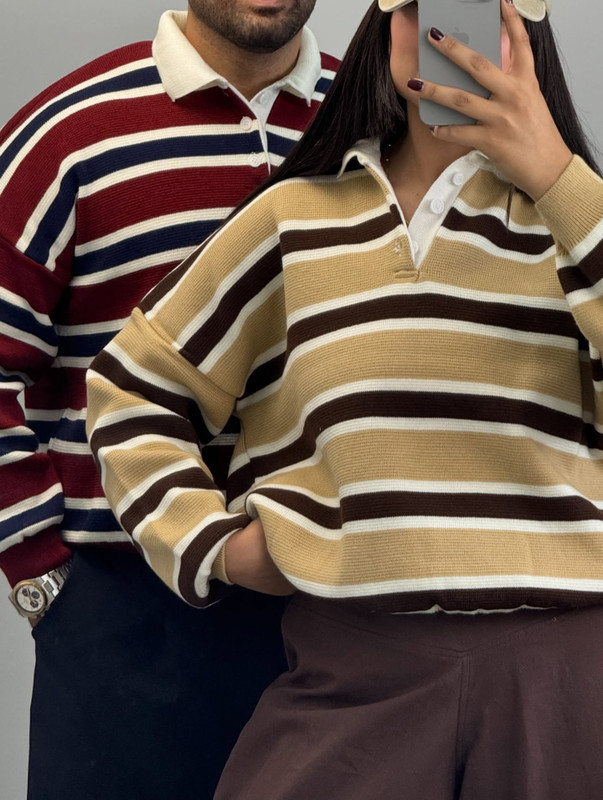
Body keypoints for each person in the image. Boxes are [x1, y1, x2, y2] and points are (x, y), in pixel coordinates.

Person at [87, 0, 603, 797]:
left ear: (527, 37)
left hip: (566, 676)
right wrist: (213, 546)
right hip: (351, 660)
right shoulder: (293, 217)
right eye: (421, 10)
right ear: (380, 28)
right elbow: (133, 386)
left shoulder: (578, 219)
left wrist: (555, 176)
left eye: (479, 11)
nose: (447, 37)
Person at [0, 2, 338, 798]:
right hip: (124, 616)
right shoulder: (67, 136)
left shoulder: (384, 128)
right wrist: (43, 576)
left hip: (339, 620)